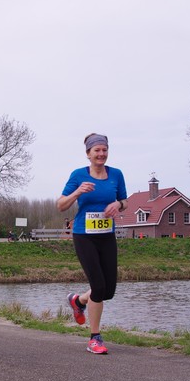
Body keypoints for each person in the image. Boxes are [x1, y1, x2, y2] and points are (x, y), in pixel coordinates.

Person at [57, 133, 127, 355]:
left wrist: (118, 204)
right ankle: (94, 338)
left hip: (106, 236)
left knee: (108, 290)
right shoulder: (78, 175)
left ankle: (78, 301)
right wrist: (78, 191)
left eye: (104, 150)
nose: (101, 154)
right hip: (84, 235)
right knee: (98, 286)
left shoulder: (116, 174)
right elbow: (61, 205)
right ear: (88, 153)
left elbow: (125, 201)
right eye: (97, 150)